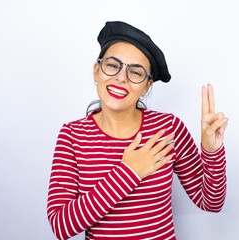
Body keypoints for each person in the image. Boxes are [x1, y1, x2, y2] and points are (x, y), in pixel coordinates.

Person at [47, 21, 228, 240]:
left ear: (146, 86)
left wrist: (211, 152)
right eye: (113, 65)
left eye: (135, 72)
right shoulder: (72, 136)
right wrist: (128, 171)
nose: (121, 77)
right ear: (97, 71)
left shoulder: (168, 129)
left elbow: (211, 202)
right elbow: (61, 226)